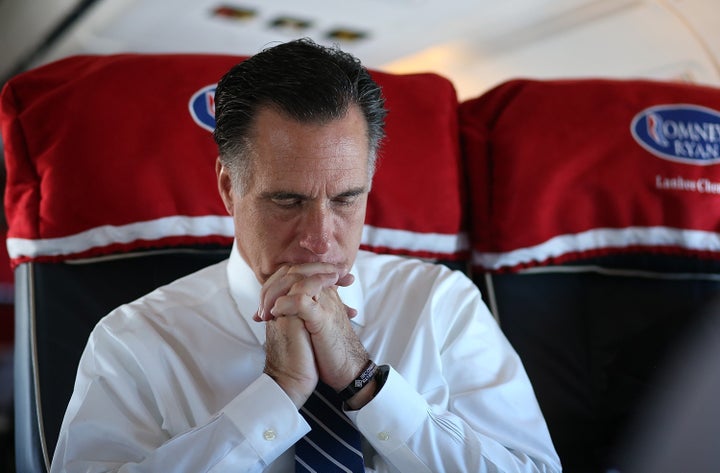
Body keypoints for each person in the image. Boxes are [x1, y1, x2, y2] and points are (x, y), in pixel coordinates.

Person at [51, 38, 561, 472]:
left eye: (345, 199)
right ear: (230, 188)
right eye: (287, 200)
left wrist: (367, 385)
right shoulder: (134, 339)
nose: (320, 239)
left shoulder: (440, 304)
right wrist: (275, 396)